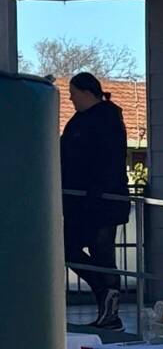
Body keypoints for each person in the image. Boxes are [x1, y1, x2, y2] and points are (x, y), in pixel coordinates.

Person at [60, 72, 132, 329]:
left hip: (101, 202)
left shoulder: (107, 119)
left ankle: (109, 310)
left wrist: (93, 193)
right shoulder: (78, 121)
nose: (71, 99)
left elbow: (108, 162)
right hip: (79, 202)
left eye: (73, 94)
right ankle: (104, 292)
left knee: (102, 255)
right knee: (69, 249)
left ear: (87, 92)